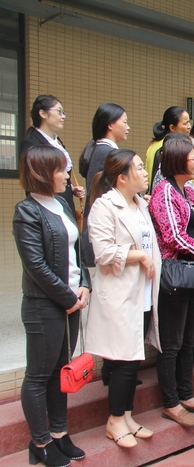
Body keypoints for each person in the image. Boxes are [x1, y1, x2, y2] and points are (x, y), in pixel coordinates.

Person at [14, 146, 90, 466]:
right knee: (38, 376)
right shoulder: (27, 211)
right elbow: (35, 265)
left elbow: (77, 251)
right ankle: (41, 442)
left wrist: (84, 283)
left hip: (70, 302)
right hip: (44, 306)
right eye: (61, 170)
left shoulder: (61, 204)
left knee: (61, 371)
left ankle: (59, 433)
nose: (67, 176)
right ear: (44, 174)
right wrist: (69, 298)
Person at [85, 149, 161, 448]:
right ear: (122, 178)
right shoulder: (105, 206)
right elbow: (103, 253)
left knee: (133, 358)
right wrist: (140, 255)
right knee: (123, 361)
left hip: (142, 293)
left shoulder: (140, 204)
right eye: (139, 168)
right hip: (119, 294)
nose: (145, 172)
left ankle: (127, 415)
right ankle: (114, 420)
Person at [149, 134, 194, 428]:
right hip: (176, 273)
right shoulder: (163, 191)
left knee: (188, 339)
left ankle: (187, 394)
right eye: (192, 158)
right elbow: (172, 235)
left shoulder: (188, 190)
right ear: (177, 160)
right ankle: (170, 402)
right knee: (172, 343)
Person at [80, 103, 130, 267]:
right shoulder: (106, 152)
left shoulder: (102, 150)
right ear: (110, 124)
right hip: (107, 227)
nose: (128, 127)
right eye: (124, 122)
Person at [21, 95, 85, 216]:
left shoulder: (57, 141)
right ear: (43, 113)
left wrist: (70, 187)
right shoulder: (31, 142)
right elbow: (34, 181)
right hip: (46, 207)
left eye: (63, 113)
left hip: (65, 203)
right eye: (59, 112)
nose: (63, 116)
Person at [146, 106, 191, 190]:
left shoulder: (152, 146)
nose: (189, 126)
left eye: (189, 122)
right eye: (185, 123)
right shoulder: (175, 146)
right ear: (172, 128)